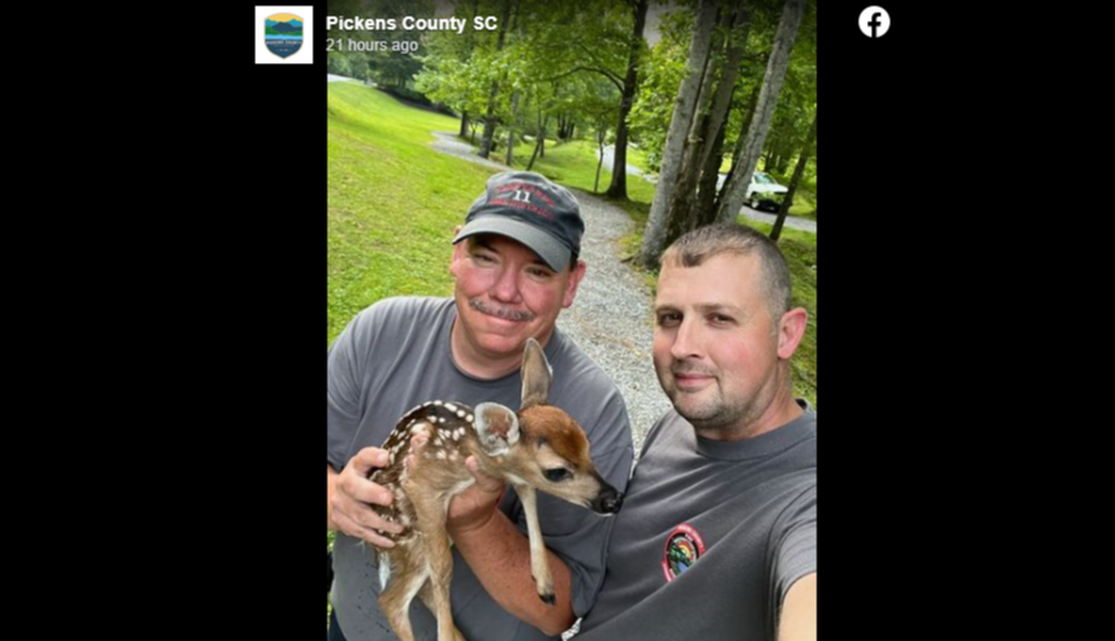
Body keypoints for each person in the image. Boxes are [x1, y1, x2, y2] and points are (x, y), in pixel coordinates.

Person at [326, 171, 635, 641]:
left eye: (537, 270)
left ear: (572, 284)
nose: (505, 291)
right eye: (485, 258)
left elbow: (561, 611)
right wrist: (333, 497)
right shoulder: (379, 333)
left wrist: (475, 520)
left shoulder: (593, 410)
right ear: (455, 254)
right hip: (351, 628)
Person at [574, 223, 817, 641]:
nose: (683, 346)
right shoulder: (680, 422)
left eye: (719, 318)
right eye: (670, 318)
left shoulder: (804, 494)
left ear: (787, 333)